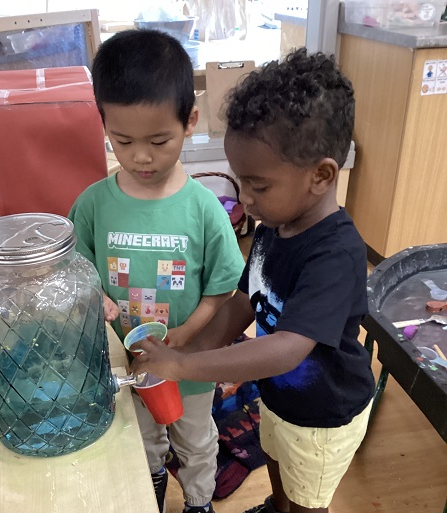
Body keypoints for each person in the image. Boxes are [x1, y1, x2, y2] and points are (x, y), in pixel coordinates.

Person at [131, 47, 376, 513]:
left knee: (307, 497)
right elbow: (245, 299)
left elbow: (286, 348)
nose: (245, 197)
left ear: (321, 176)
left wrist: (184, 368)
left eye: (258, 185)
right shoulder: (273, 227)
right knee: (279, 466)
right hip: (280, 400)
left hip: (324, 417)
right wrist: (195, 349)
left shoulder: (337, 254)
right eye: (239, 181)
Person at [68, 29, 245, 513]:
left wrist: (183, 339)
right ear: (103, 122)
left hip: (187, 365)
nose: (141, 156)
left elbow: (222, 290)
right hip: (125, 369)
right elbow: (74, 269)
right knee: (140, 442)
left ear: (189, 121)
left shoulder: (205, 210)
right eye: (122, 140)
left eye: (159, 140)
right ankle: (149, 494)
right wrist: (92, 295)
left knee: (196, 442)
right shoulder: (93, 205)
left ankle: (198, 502)